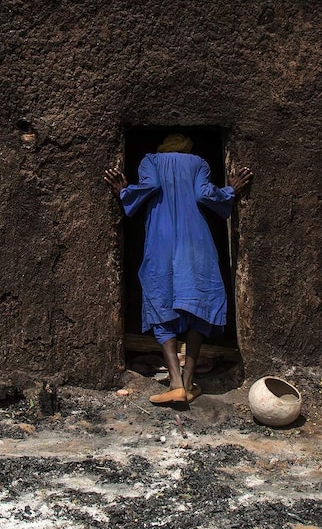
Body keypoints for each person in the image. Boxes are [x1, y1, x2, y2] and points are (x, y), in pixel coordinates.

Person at [104, 133, 253, 405]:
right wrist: (230, 190)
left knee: (161, 302)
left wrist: (124, 192)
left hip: (160, 243)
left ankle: (174, 383)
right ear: (188, 148)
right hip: (196, 242)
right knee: (197, 304)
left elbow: (150, 185)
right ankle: (187, 381)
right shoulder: (199, 162)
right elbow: (203, 194)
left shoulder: (150, 161)